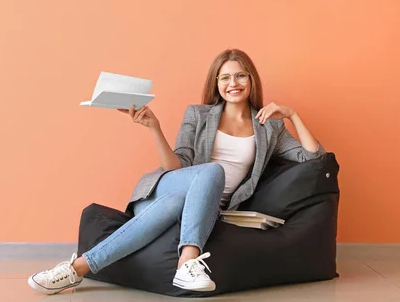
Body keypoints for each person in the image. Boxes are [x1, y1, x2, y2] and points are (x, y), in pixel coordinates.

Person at [28, 48, 326, 295]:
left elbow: (314, 158)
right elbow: (177, 165)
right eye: (224, 77)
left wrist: (291, 115)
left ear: (251, 80)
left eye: (239, 75)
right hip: (168, 187)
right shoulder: (198, 115)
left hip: (201, 207)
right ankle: (188, 263)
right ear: (216, 83)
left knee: (179, 202)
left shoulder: (269, 127)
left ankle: (75, 269)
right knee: (210, 172)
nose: (232, 82)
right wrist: (155, 129)